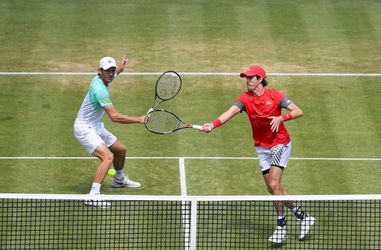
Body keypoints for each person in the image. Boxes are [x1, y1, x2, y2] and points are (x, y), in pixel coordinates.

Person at [201, 65, 315, 243]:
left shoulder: (275, 96)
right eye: (246, 78)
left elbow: (298, 111)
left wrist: (281, 118)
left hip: (280, 143)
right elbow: (229, 112)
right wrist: (213, 124)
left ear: (260, 79)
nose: (247, 81)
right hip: (262, 147)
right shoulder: (244, 99)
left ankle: (281, 227)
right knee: (272, 188)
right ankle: (303, 217)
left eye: (250, 78)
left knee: (275, 183)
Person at [74, 56, 145, 208]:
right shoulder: (100, 91)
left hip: (96, 125)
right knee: (108, 157)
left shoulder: (102, 78)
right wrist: (139, 119)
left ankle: (119, 180)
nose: (111, 74)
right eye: (108, 71)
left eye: (112, 71)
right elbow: (114, 117)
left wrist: (120, 68)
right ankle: (93, 195)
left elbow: (114, 74)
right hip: (84, 128)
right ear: (100, 71)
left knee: (121, 149)